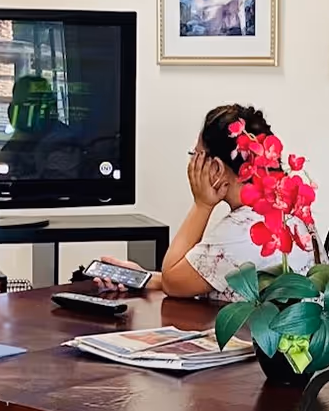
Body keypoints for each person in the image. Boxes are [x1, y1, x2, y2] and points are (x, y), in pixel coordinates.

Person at [101, 103, 312, 300]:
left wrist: (202, 205)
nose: (192, 163)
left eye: (197, 155)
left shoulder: (242, 230)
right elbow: (190, 278)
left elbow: (174, 281)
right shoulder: (286, 210)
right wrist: (143, 277)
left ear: (217, 168)